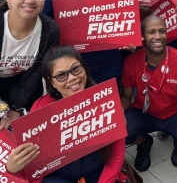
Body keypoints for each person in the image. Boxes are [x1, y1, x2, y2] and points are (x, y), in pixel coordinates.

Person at [6, 45, 125, 183]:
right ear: (52, 82)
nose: (72, 78)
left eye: (76, 69)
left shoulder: (106, 100)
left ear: (84, 69)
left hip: (97, 171)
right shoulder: (41, 109)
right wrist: (14, 169)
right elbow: (35, 168)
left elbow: (116, 157)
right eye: (61, 75)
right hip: (59, 176)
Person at [121, 15, 177, 172]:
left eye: (162, 31)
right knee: (116, 133)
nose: (158, 36)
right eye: (152, 32)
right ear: (142, 35)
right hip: (144, 113)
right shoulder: (131, 61)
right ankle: (143, 142)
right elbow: (127, 96)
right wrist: (118, 115)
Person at [0, 0, 59, 130]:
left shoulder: (50, 29)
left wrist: (16, 110)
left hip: (21, 82)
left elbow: (37, 73)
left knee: (19, 127)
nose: (30, 0)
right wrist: (3, 111)